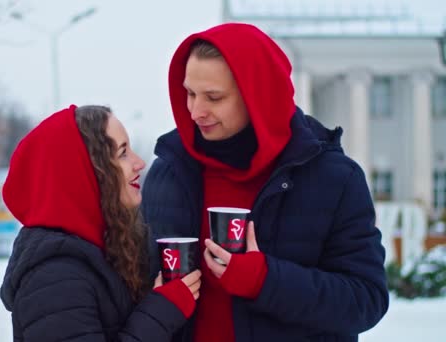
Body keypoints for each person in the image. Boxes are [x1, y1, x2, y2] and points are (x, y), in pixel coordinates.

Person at [141, 23, 389, 341]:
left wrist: (264, 280)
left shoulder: (335, 178)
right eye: (190, 93)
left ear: (257, 96)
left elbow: (365, 300)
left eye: (214, 97)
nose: (195, 111)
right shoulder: (169, 172)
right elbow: (136, 282)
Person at [0, 105, 202, 342]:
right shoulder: (55, 278)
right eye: (123, 153)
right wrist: (161, 313)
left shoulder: (115, 246)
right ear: (85, 172)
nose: (139, 163)